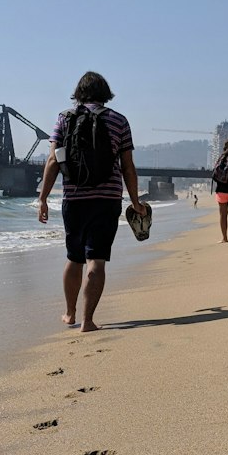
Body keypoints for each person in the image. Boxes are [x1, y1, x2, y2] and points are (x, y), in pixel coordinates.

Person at [37, 71, 147, 333]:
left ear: (78, 92)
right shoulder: (119, 121)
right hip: (107, 199)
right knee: (96, 259)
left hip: (74, 198)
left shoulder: (64, 119)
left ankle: (70, 313)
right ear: (105, 93)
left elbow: (53, 160)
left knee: (74, 257)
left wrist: (42, 198)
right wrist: (135, 201)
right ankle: (88, 320)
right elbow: (128, 167)